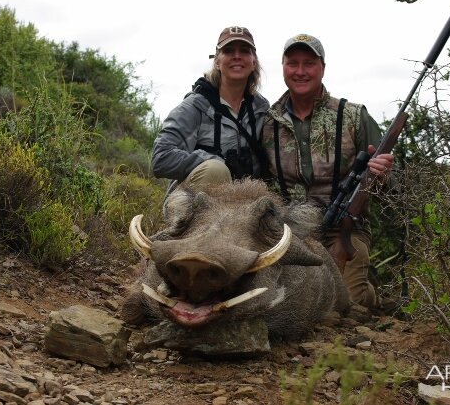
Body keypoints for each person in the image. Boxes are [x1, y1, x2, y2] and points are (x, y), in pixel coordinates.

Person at [262, 33, 394, 311]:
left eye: (309, 63)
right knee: (277, 303)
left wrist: (383, 175)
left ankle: (373, 294)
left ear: (322, 67)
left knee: (346, 304)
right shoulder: (266, 122)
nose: (300, 71)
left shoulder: (354, 116)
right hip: (289, 232)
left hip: (343, 230)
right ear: (283, 67)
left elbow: (391, 185)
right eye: (292, 63)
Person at [151, 26, 270, 190]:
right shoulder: (193, 107)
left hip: (244, 203)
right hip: (194, 204)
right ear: (217, 62)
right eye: (228, 51)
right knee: (216, 171)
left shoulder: (262, 110)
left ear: (253, 62)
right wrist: (215, 162)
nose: (237, 56)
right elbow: (160, 159)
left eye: (244, 51)